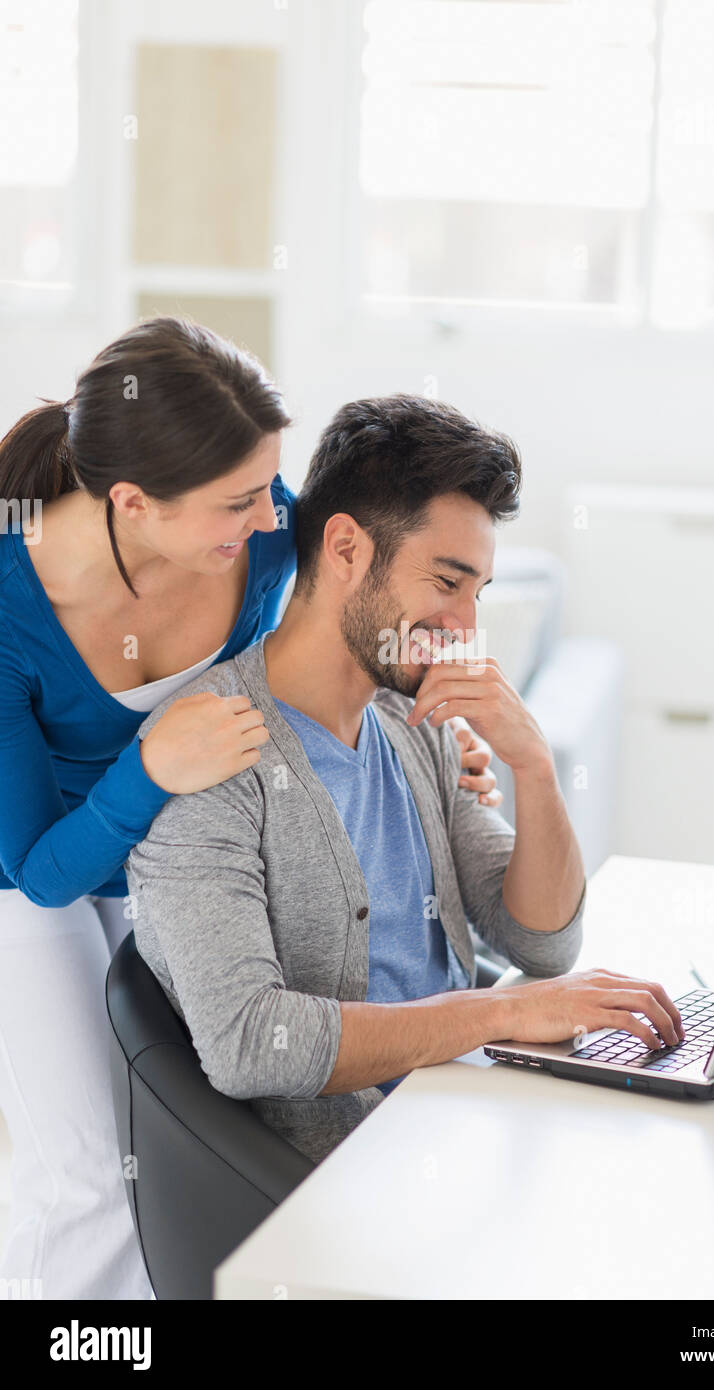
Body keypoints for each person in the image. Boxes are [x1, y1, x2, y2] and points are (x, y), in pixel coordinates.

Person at [0, 322, 498, 1300]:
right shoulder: (13, 606)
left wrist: (438, 733)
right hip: (42, 875)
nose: (270, 516)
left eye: (269, 485)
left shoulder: (260, 532)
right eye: (238, 500)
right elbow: (38, 872)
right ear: (134, 505)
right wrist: (151, 764)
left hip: (181, 838)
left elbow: (355, 615)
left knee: (185, 1145)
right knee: (95, 1174)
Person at [125, 394, 685, 1169]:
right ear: (347, 548)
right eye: (446, 583)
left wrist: (533, 766)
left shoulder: (410, 719)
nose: (464, 627)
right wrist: (502, 1012)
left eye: (476, 593)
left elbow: (541, 940)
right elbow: (249, 1044)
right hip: (362, 1175)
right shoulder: (210, 749)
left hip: (476, 1116)